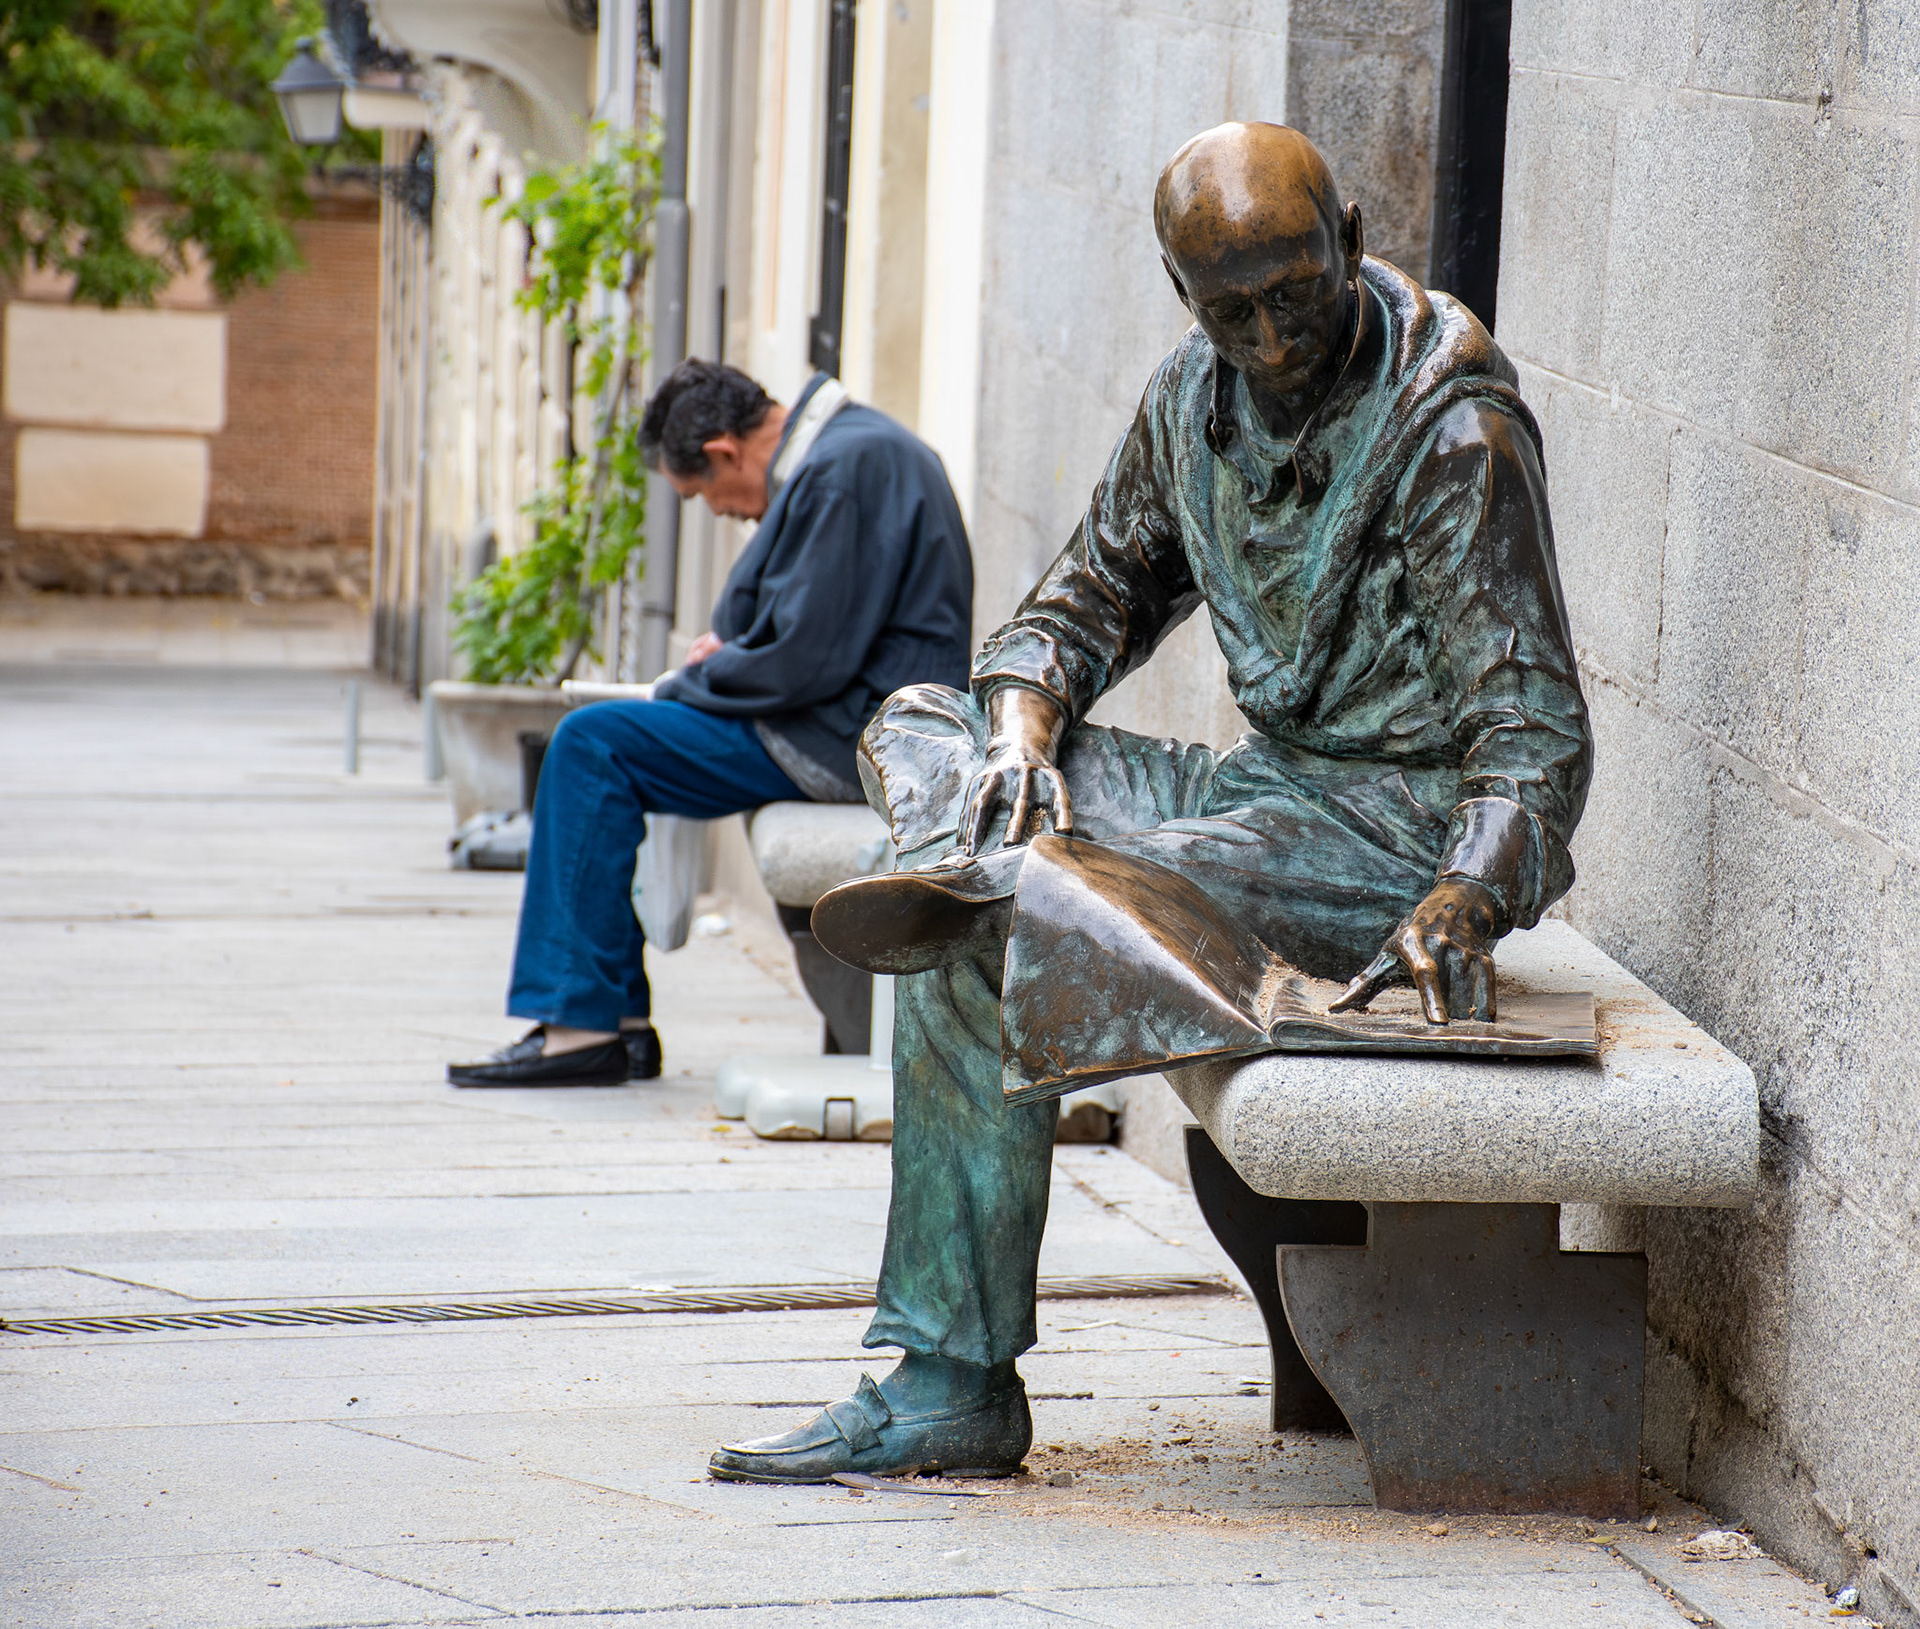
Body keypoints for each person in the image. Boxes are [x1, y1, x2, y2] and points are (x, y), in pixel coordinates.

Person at [706, 122, 1592, 1482]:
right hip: (1260, 795)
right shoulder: (1193, 398)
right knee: (931, 722)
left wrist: (1466, 891)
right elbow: (1082, 601)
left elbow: (1530, 739)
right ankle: (989, 851)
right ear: (1186, 302)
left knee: (984, 927)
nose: (1276, 335)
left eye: (1297, 290)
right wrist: (1024, 736)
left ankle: (953, 1375)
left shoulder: (1450, 425)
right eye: (1233, 310)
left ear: (1352, 237)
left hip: (1387, 843)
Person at [448, 360, 975, 1088]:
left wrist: (689, 679)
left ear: (725, 450)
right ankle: (616, 1022)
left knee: (591, 744)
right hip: (857, 723)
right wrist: (732, 655)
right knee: (603, 740)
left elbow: (801, 659)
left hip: (849, 738)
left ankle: (581, 1026)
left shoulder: (843, 469)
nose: (722, 512)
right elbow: (798, 630)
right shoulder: (852, 452)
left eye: (703, 494)